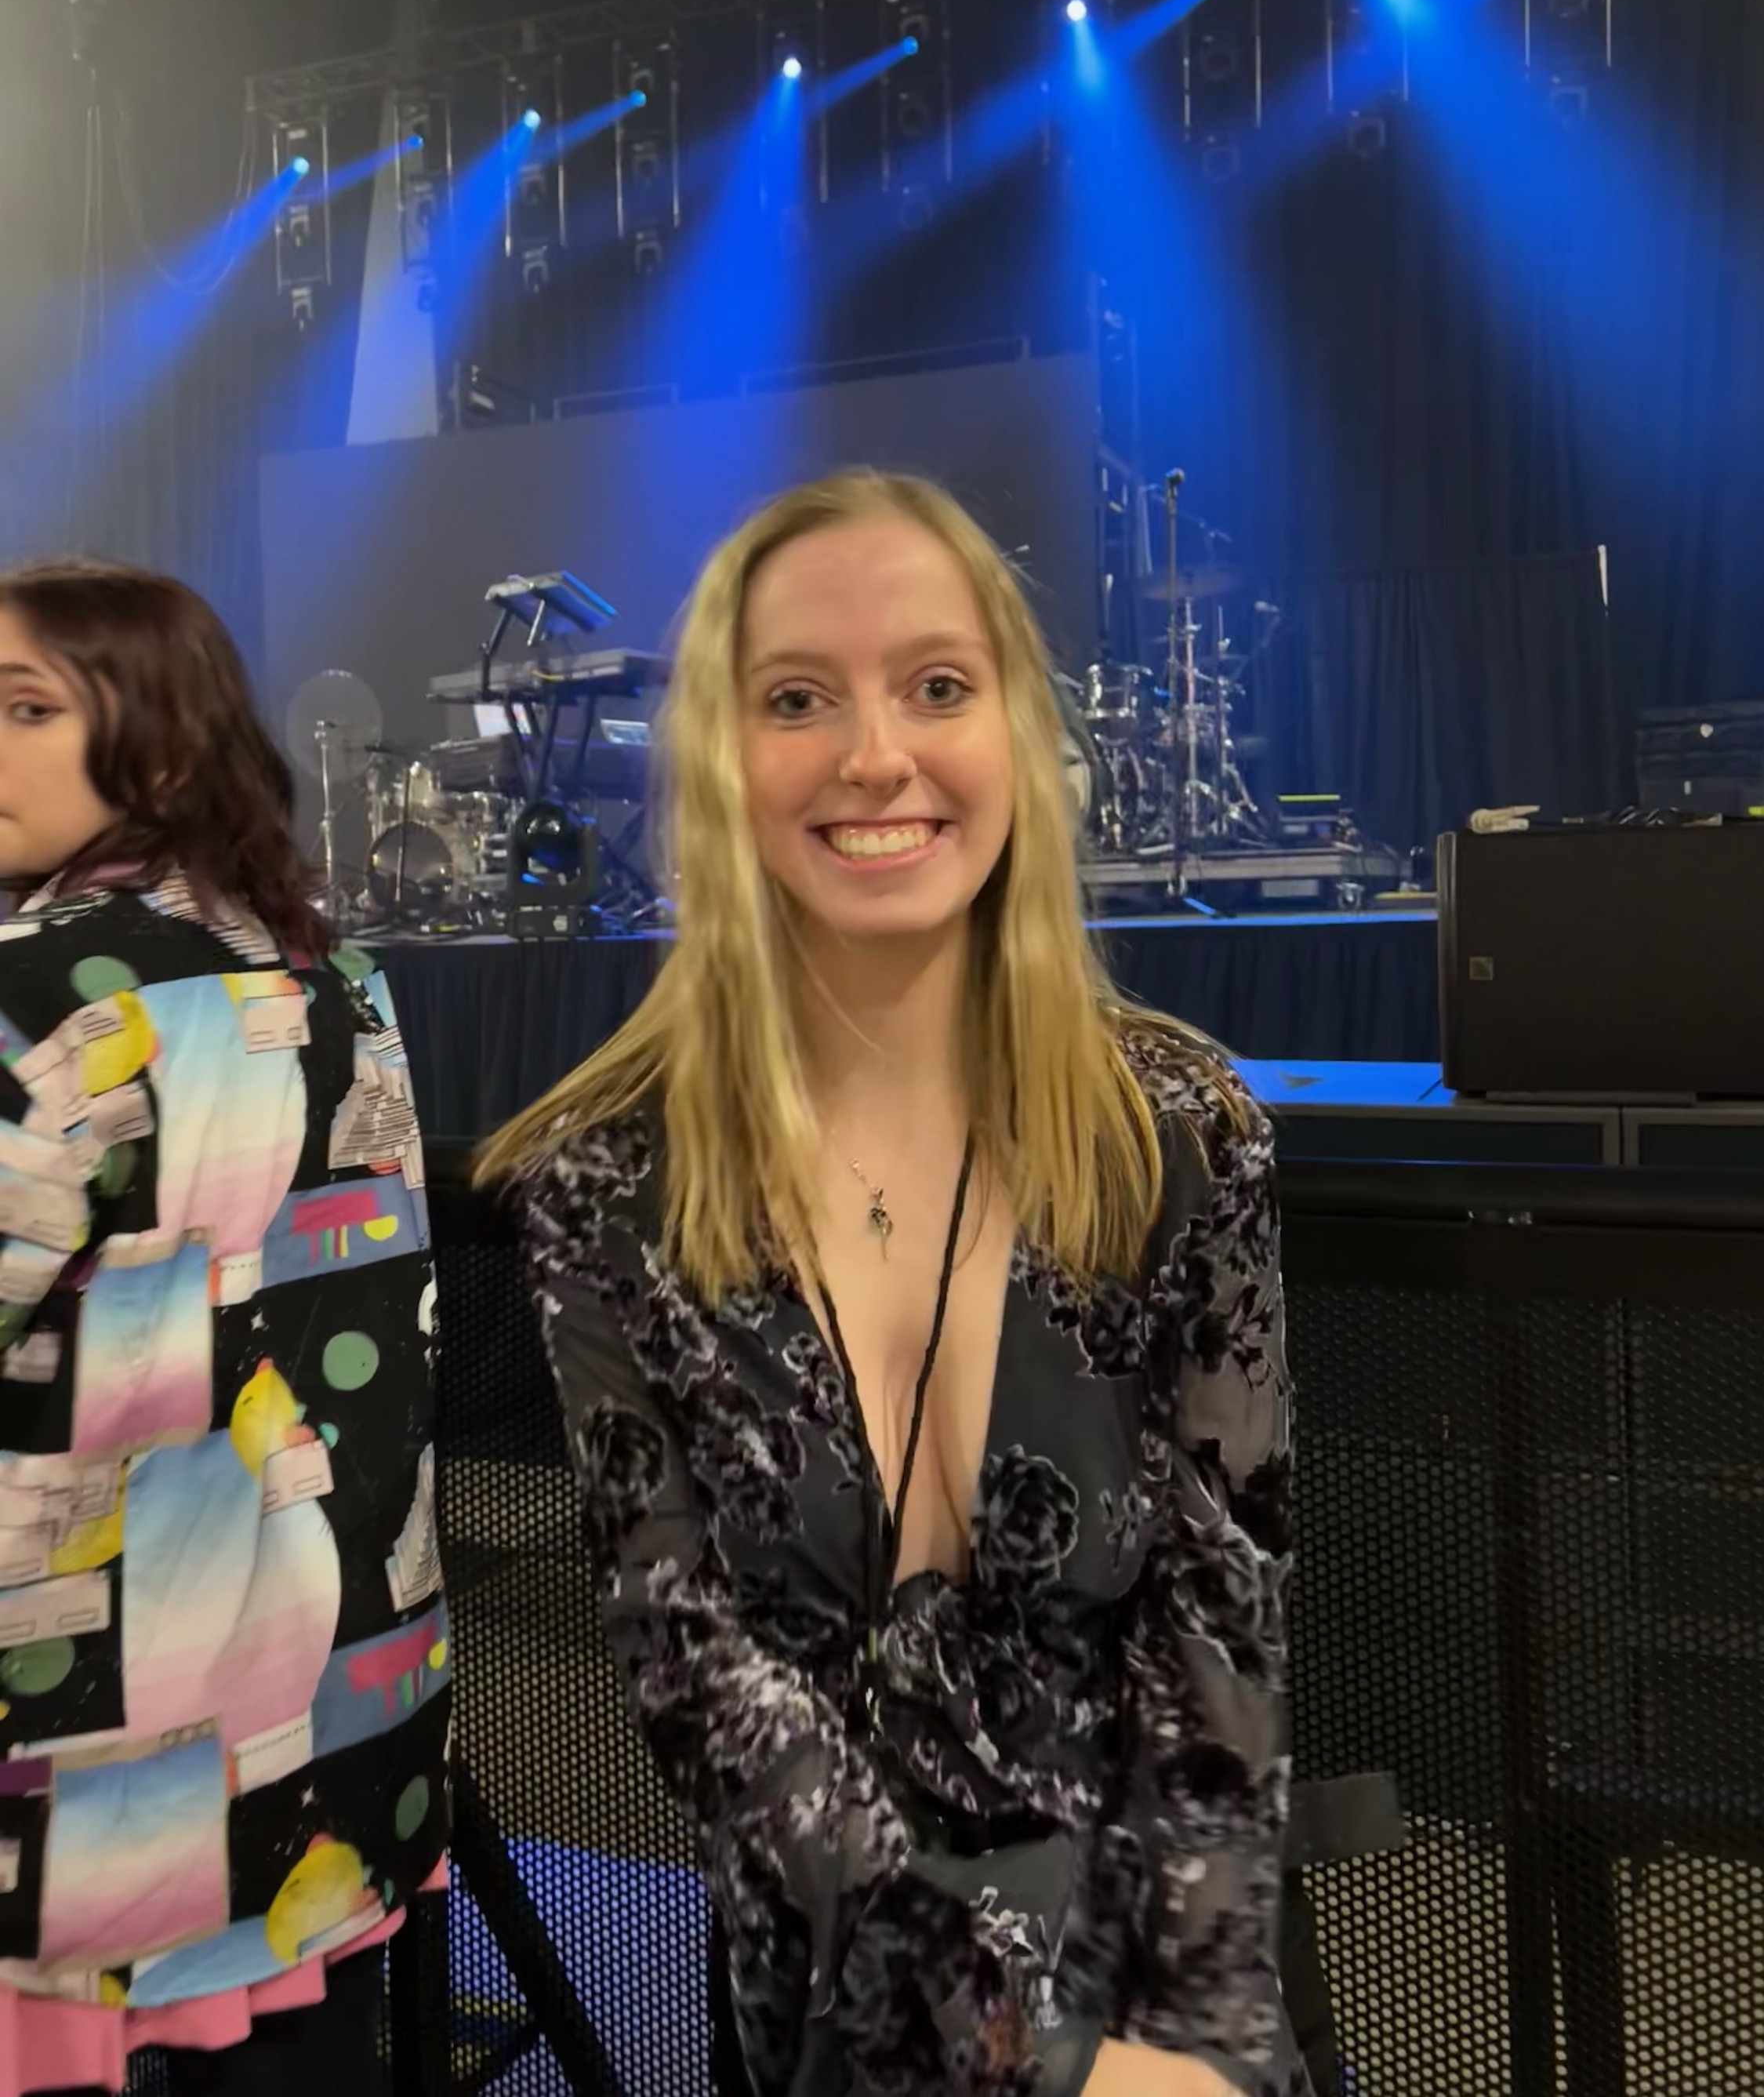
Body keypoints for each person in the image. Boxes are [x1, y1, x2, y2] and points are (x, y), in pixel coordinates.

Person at [481, 471, 1301, 2097]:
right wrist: (1041, 2061)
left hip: (1175, 2010)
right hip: (843, 2026)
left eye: (937, 686)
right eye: (800, 699)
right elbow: (700, 1688)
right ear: (720, 761)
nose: (876, 755)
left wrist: (1187, 2049)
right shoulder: (600, 1186)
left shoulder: (1182, 1136)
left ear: (1018, 730)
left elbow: (1223, 1626)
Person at [0, 562, 448, 2097]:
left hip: (89, 1804)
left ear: (168, 748)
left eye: (24, 708)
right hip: (334, 1747)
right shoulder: (342, 982)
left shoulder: (31, 1004)